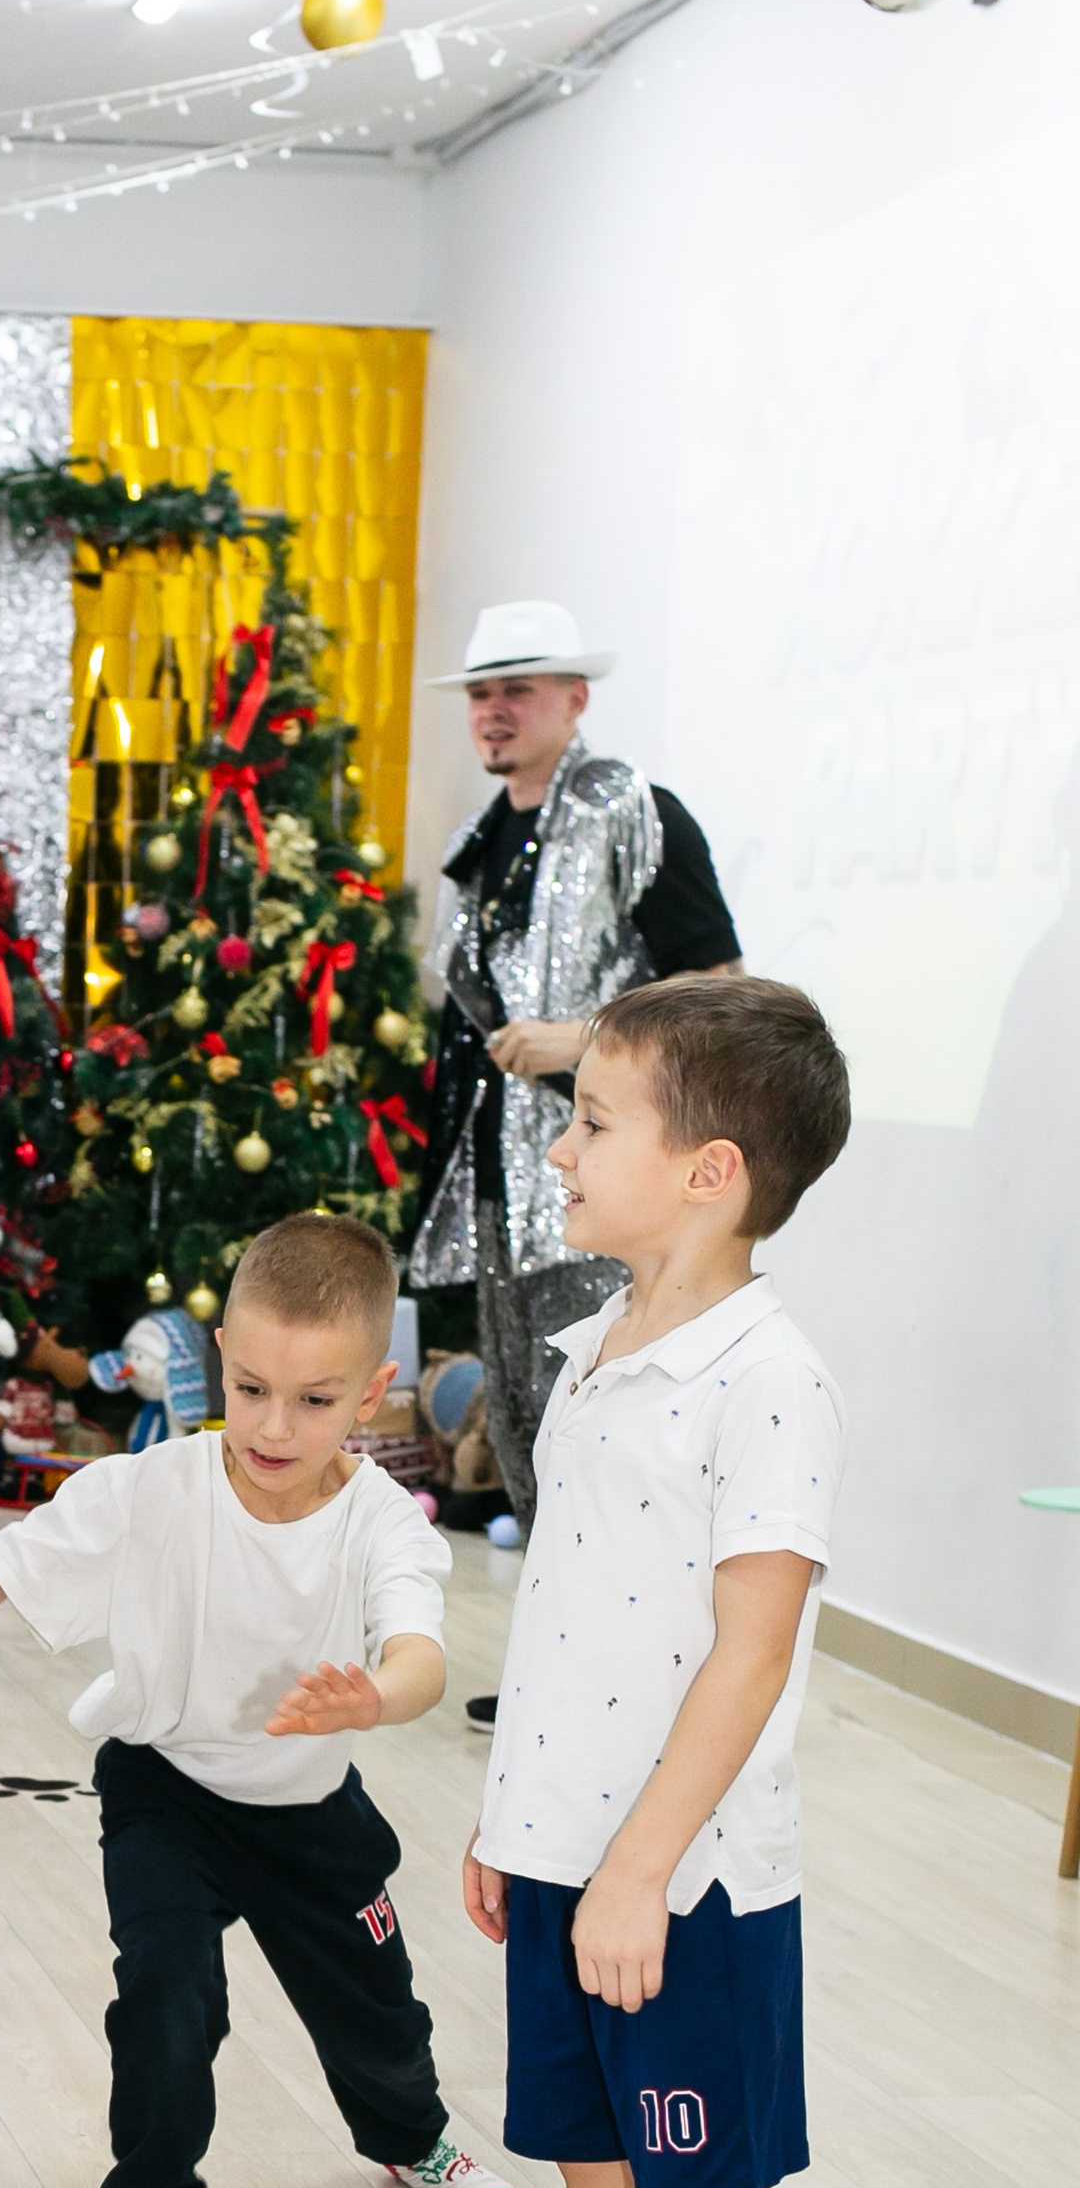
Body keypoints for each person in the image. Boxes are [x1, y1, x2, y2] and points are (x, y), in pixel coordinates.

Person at [0, 1214, 523, 2188]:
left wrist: (374, 1698)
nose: (271, 1423)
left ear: (371, 1389)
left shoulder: (379, 1526)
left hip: (310, 1811)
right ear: (219, 1353)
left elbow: (419, 1656)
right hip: (165, 1791)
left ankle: (411, 2138)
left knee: (377, 2016)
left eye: (313, 1399)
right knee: (165, 2000)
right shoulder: (150, 1488)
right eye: (250, 1386)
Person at [417, 973, 850, 2188]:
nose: (565, 1144)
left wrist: (642, 1866)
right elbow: (577, 1612)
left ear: (710, 1170)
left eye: (596, 1119)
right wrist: (513, 1823)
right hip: (565, 1855)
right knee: (597, 2162)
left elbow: (748, 1654)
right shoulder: (607, 1342)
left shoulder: (770, 1377)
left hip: (688, 1885)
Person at [411, 600, 740, 1723]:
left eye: (521, 688)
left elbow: (724, 994)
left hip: (612, 1190)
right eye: (482, 693)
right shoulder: (487, 843)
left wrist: (588, 1039)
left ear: (574, 700)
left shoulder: (632, 815)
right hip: (508, 1180)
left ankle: (636, 1682)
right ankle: (564, 1668)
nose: (496, 710)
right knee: (523, 1424)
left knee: (609, 1430)